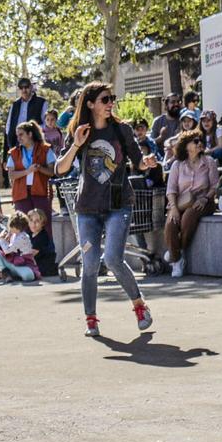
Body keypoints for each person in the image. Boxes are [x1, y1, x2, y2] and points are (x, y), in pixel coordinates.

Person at [54, 81, 153, 338]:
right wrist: (76, 144)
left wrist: (147, 163)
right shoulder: (78, 130)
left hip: (118, 205)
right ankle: (90, 319)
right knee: (89, 265)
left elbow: (137, 161)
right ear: (90, 104)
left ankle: (139, 306)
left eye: (112, 99)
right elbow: (60, 169)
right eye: (105, 100)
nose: (110, 104)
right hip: (87, 207)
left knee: (112, 259)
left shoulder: (121, 130)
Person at [161, 128, 216, 277]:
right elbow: (171, 189)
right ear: (186, 146)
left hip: (203, 201)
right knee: (171, 223)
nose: (200, 144)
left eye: (201, 141)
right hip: (180, 202)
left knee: (188, 217)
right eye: (195, 141)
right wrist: (173, 208)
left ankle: (173, 255)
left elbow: (214, 186)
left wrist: (205, 198)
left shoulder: (209, 162)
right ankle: (178, 260)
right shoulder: (177, 165)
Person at [6, 120, 56, 275]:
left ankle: (48, 259)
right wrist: (28, 171)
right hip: (21, 194)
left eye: (21, 135)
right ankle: (23, 260)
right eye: (17, 135)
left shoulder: (45, 149)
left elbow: (53, 170)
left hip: (40, 191)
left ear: (30, 134)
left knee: (43, 225)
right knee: (23, 227)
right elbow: (11, 174)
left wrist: (39, 168)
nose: (18, 138)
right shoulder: (14, 152)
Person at [1, 76, 47, 154]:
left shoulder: (41, 102)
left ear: (31, 87)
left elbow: (46, 124)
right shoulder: (15, 104)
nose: (24, 90)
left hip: (34, 143)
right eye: (21, 88)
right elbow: (8, 126)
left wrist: (32, 131)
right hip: (17, 143)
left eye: (26, 87)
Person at [0, 211, 40, 281]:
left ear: (14, 226)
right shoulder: (16, 235)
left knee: (28, 276)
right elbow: (11, 247)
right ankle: (8, 271)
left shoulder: (22, 237)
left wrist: (1, 239)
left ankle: (15, 273)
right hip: (15, 259)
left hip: (24, 262)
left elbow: (7, 250)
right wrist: (7, 237)